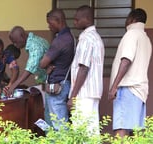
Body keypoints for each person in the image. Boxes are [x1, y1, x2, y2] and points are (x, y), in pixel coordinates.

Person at [108, 8, 152, 138]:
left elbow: (126, 60)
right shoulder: (146, 39)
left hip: (127, 88)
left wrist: (114, 86)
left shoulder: (131, 34)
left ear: (132, 19)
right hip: (140, 91)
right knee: (135, 131)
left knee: (121, 128)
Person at [67, 5, 104, 135]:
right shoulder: (96, 37)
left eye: (77, 19)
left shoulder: (87, 39)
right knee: (91, 132)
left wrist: (73, 96)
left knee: (82, 132)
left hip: (83, 93)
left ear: (87, 19)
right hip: (92, 92)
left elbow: (83, 68)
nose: (74, 22)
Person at [40, 9, 75, 130]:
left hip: (58, 85)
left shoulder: (61, 40)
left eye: (50, 23)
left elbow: (42, 63)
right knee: (56, 122)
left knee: (59, 124)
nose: (49, 26)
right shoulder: (70, 37)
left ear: (58, 21)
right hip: (65, 82)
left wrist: (46, 66)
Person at [6, 26, 49, 95]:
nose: (15, 45)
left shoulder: (35, 45)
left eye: (15, 42)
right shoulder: (37, 40)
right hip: (44, 81)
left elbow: (30, 68)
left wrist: (13, 85)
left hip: (50, 82)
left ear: (22, 36)